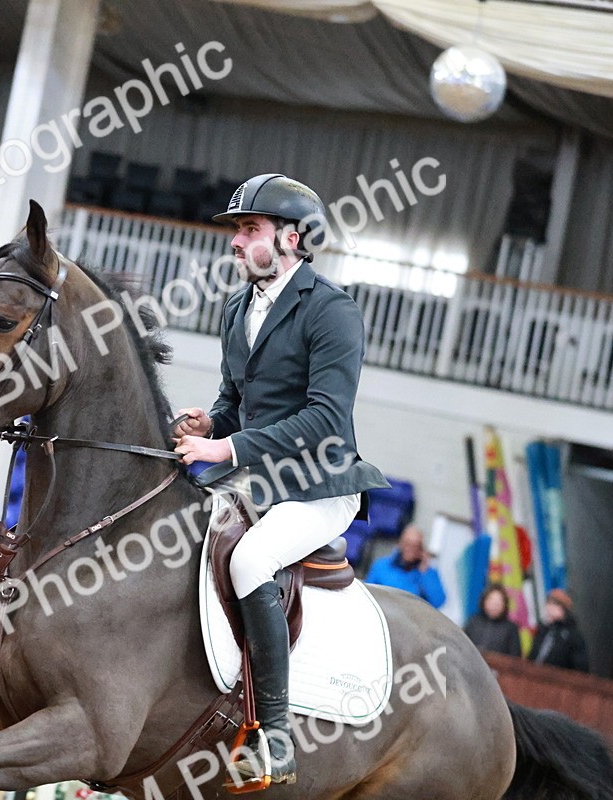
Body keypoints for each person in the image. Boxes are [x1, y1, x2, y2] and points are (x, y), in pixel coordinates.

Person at [172, 173, 389, 785]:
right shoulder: (237, 308)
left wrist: (226, 446)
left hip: (319, 483)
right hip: (254, 479)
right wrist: (210, 421)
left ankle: (274, 735)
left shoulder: (332, 311)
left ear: (293, 238)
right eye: (237, 230)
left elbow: (325, 417)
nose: (236, 242)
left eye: (250, 229)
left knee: (250, 561)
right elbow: (235, 401)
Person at [365, 525, 447, 609]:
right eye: (407, 544)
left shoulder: (427, 573)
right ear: (400, 544)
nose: (411, 549)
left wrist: (425, 572)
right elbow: (367, 595)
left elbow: (438, 602)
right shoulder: (381, 566)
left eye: (416, 545)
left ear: (421, 549)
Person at [528, 589, 589, 672]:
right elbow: (532, 655)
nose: (549, 608)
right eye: (548, 603)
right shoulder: (543, 629)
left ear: (563, 609)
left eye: (554, 604)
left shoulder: (573, 636)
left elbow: (580, 668)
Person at [464, 584, 522, 657]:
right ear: (484, 601)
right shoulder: (473, 621)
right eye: (491, 601)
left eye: (498, 602)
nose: (494, 605)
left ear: (504, 605)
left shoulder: (511, 628)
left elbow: (515, 658)